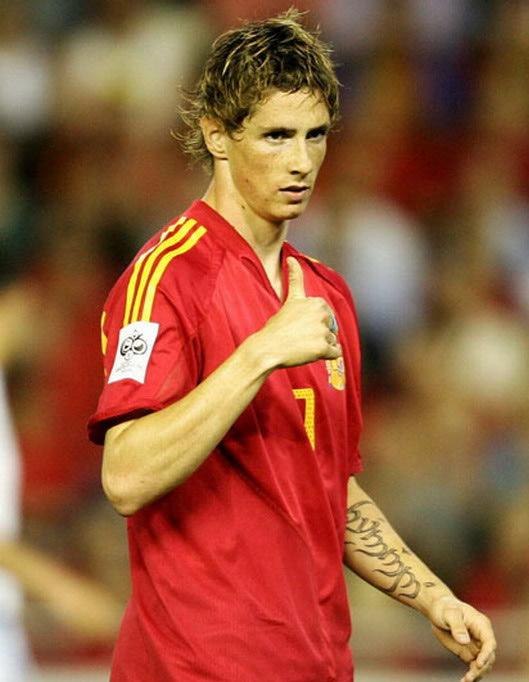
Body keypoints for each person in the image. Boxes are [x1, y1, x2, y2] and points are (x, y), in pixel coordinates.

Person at [88, 9, 497, 682]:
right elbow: (126, 475)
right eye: (276, 136)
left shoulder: (325, 295)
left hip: (317, 664)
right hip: (199, 668)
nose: (301, 162)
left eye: (315, 135)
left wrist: (432, 596)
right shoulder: (168, 277)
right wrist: (258, 354)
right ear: (217, 136)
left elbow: (328, 488)